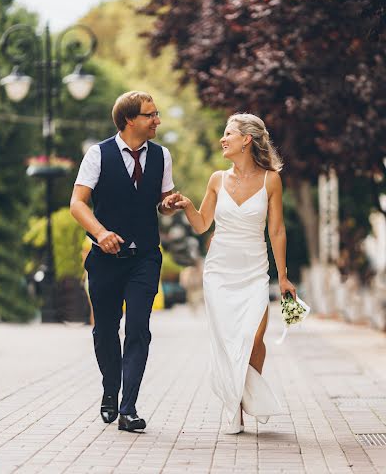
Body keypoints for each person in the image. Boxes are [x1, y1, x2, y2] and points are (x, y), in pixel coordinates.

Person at [162, 113, 296, 434]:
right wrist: (188, 206)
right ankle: (234, 405)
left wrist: (283, 276)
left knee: (253, 337)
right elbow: (202, 224)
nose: (223, 139)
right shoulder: (216, 179)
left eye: (228, 134)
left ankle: (247, 395)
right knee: (227, 340)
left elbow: (276, 231)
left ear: (247, 139)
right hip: (219, 271)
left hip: (254, 270)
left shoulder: (271, 180)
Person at [70, 91, 177, 432]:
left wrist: (168, 204)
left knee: (138, 330)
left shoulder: (162, 156)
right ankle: (109, 390)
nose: (157, 120)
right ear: (130, 120)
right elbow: (77, 203)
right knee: (105, 331)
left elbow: (160, 201)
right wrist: (100, 233)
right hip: (104, 258)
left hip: (145, 256)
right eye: (151, 114)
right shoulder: (97, 154)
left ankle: (129, 407)